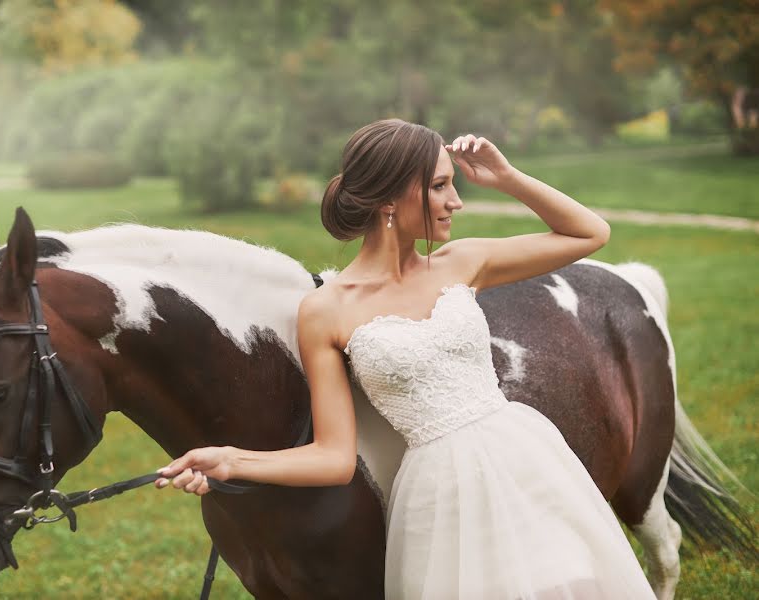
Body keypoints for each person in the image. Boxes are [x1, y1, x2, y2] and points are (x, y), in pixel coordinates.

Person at [155, 119, 655, 598]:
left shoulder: (462, 262)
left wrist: (507, 178)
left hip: (524, 458)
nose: (455, 201)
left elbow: (589, 233)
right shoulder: (326, 311)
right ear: (391, 197)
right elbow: (332, 457)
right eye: (439, 186)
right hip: (439, 495)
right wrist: (232, 461)